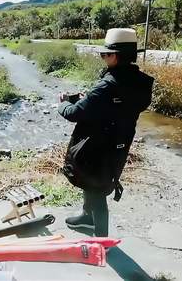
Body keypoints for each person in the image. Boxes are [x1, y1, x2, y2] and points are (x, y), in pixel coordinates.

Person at [57, 28, 154, 237]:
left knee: (96, 187)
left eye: (105, 54)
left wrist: (63, 103)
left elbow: (74, 113)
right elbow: (119, 106)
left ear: (117, 56)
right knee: (97, 180)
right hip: (119, 140)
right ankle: (86, 217)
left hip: (97, 143)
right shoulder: (140, 82)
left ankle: (101, 240)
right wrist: (91, 100)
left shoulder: (108, 85)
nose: (103, 58)